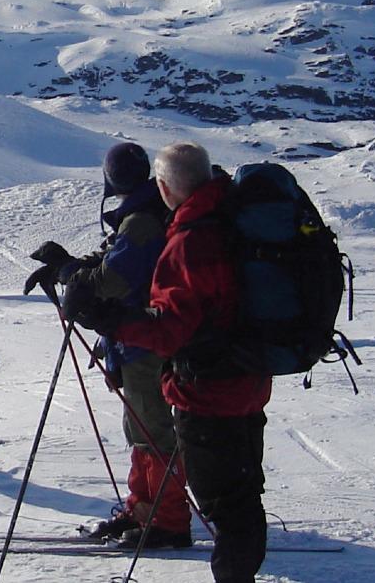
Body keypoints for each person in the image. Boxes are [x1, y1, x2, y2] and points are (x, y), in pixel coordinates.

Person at [75, 142, 272, 582]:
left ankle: (166, 522)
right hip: (247, 377)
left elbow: (168, 327)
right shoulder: (227, 218)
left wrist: (108, 316)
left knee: (223, 499)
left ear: (164, 186)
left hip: (208, 386)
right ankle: (148, 512)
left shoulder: (190, 238)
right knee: (238, 495)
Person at [32, 143, 191, 549]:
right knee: (140, 429)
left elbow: (114, 279)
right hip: (135, 337)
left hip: (145, 339)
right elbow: (111, 262)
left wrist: (72, 274)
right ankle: (143, 509)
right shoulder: (149, 210)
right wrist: (69, 267)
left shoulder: (141, 220)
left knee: (152, 430)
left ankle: (168, 521)